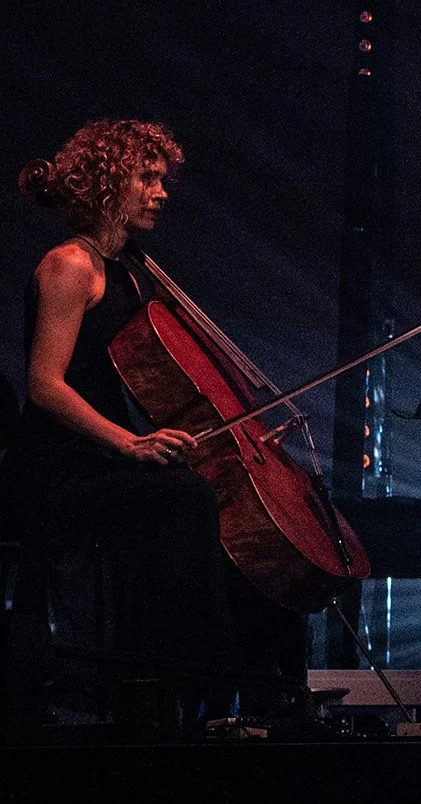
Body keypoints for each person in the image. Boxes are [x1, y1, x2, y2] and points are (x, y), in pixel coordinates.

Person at [14, 119, 294, 731]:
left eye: (161, 179)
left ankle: (249, 686)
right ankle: (201, 690)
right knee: (187, 499)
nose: (161, 192)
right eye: (147, 178)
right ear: (108, 183)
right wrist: (131, 442)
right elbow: (44, 384)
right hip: (62, 464)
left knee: (223, 508)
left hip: (108, 453)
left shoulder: (133, 269)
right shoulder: (69, 265)